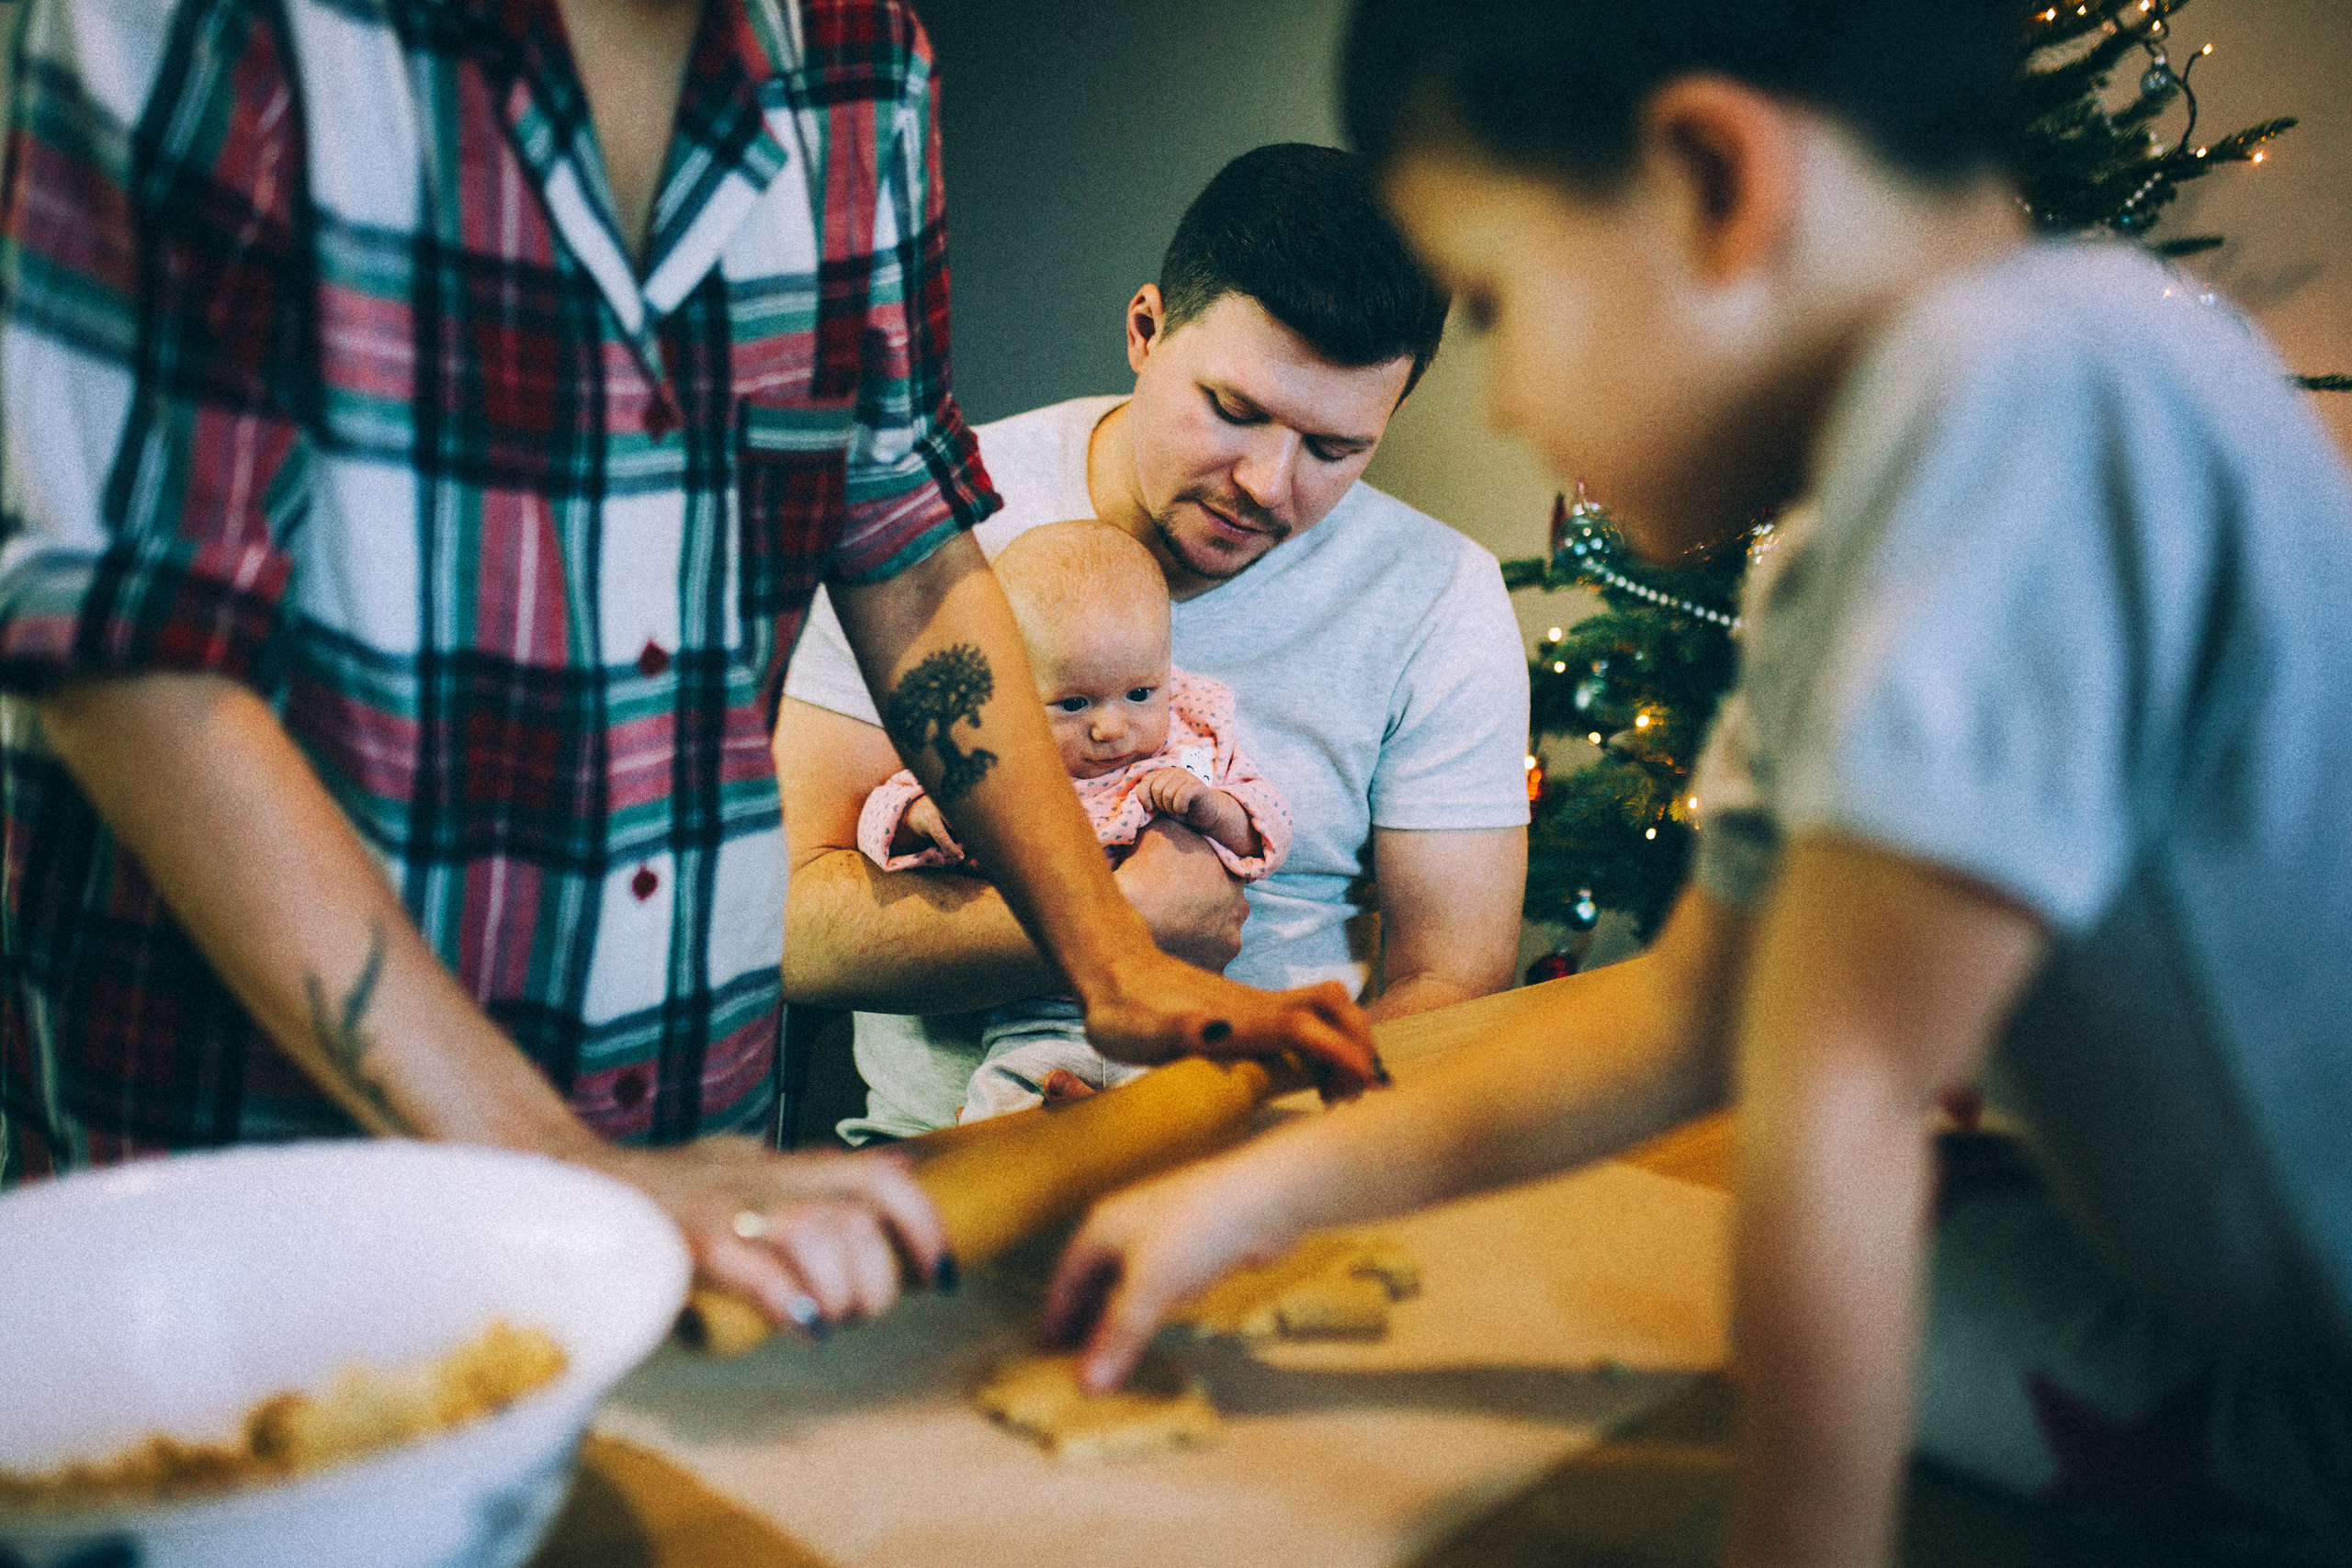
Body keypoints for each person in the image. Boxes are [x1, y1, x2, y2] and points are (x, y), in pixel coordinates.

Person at [1036, 3, 2352, 1564]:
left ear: (1710, 181)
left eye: (1505, 302)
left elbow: (1838, 1094)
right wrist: (1257, 1192)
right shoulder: (1896, 473)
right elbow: (1694, 1009)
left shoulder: (2021, 394)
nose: (1509, 400)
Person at [0, 0, 1373, 1341]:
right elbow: (134, 648)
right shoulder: (193, 25)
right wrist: (551, 1156)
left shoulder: (862, 57)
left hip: (687, 1106)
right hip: (255, 1121)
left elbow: (902, 542)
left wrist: (1110, 956)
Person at [780, 142, 1532, 1143]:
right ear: (1145, 329)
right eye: (1234, 411)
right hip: (954, 1154)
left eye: (1334, 447)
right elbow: (781, 930)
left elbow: (1454, 979)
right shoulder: (931, 524)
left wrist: (1205, 1115)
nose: (1267, 483)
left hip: (1276, 1148)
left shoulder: (1441, 594)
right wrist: (1113, 928)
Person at [858, 522, 1293, 1121]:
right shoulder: (993, 754)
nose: (1112, 727)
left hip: (1167, 1001)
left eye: (1141, 692)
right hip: (1035, 1013)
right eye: (1074, 703)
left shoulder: (1188, 744)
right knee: (1006, 1106)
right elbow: (884, 808)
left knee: (1191, 1118)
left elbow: (1263, 825)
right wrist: (921, 815)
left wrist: (1207, 807)